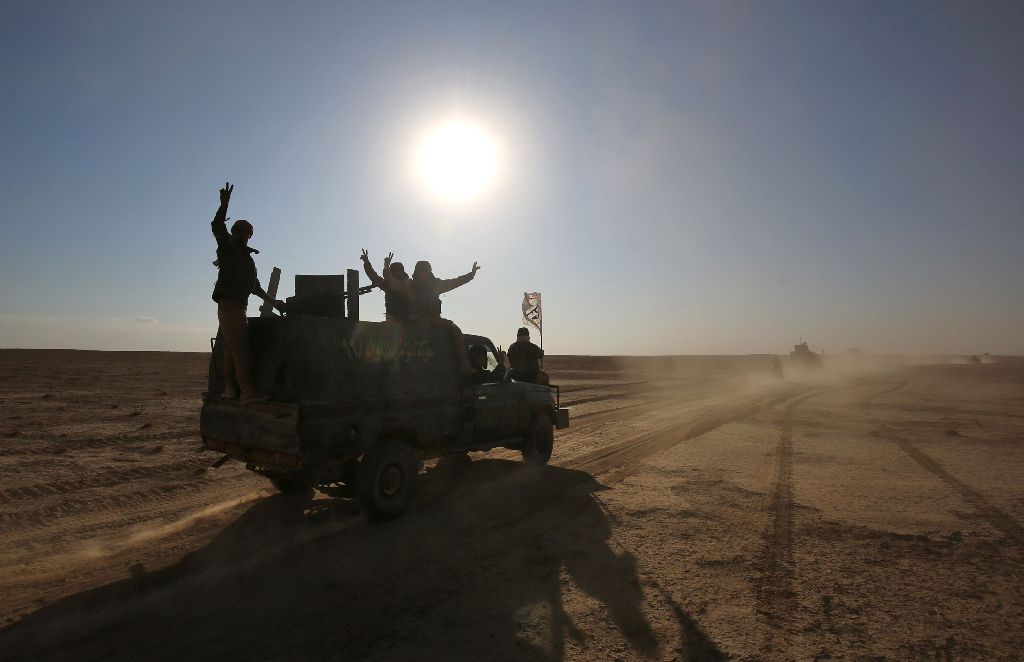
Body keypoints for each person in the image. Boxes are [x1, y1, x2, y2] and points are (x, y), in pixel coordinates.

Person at [210, 182, 284, 403]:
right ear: (236, 231)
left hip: (236, 305)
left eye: (250, 233)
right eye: (246, 232)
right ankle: (248, 391)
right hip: (231, 305)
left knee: (231, 351)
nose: (248, 236)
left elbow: (254, 286)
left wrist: (274, 302)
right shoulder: (228, 246)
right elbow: (217, 226)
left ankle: (231, 390)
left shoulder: (245, 257)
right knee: (241, 350)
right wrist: (224, 205)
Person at [410, 260, 480, 319]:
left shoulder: (436, 284)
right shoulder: (410, 285)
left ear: (429, 272)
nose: (423, 273)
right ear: (417, 272)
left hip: (434, 320)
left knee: (453, 329)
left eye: (426, 271)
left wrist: (471, 274)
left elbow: (455, 282)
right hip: (415, 320)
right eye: (421, 271)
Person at [360, 249, 412, 321]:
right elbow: (373, 276)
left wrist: (386, 266)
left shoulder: (409, 283)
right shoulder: (388, 284)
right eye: (394, 271)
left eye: (398, 271)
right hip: (393, 320)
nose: (396, 273)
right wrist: (366, 262)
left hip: (408, 319)